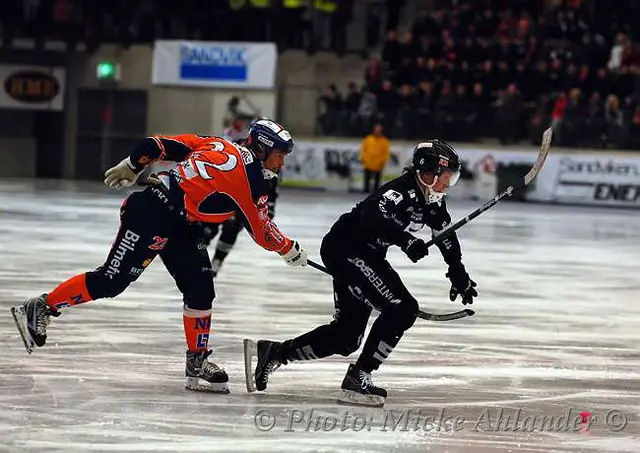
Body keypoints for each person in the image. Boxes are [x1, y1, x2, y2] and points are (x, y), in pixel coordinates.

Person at [11, 119, 308, 394]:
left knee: (201, 289)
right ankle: (42, 306)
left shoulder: (216, 142)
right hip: (152, 216)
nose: (283, 162)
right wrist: (289, 249)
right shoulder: (252, 179)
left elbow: (155, 145)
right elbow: (262, 232)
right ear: (263, 147)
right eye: (280, 154)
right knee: (111, 282)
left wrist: (132, 164)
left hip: (177, 221)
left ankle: (197, 363)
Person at [244, 139, 478, 407]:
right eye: (446, 178)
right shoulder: (401, 191)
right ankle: (359, 376)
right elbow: (372, 217)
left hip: (365, 254)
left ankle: (274, 353)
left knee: (346, 338)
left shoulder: (433, 201)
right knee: (402, 309)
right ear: (429, 173)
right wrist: (406, 241)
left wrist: (457, 272)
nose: (448, 185)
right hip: (347, 249)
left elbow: (445, 235)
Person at [201, 116, 280, 277]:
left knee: (231, 228)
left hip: (246, 203)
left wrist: (269, 208)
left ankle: (216, 262)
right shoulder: (238, 148)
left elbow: (271, 188)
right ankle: (199, 256)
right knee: (207, 229)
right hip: (224, 196)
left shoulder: (273, 160)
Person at [360, 123, 391, 193]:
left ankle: (375, 191)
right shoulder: (368, 139)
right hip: (368, 162)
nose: (377, 131)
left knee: (377, 178)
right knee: (367, 177)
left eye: (379, 130)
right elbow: (363, 149)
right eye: (376, 129)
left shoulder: (384, 141)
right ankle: (366, 189)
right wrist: (363, 157)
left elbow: (386, 152)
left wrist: (384, 160)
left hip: (378, 162)